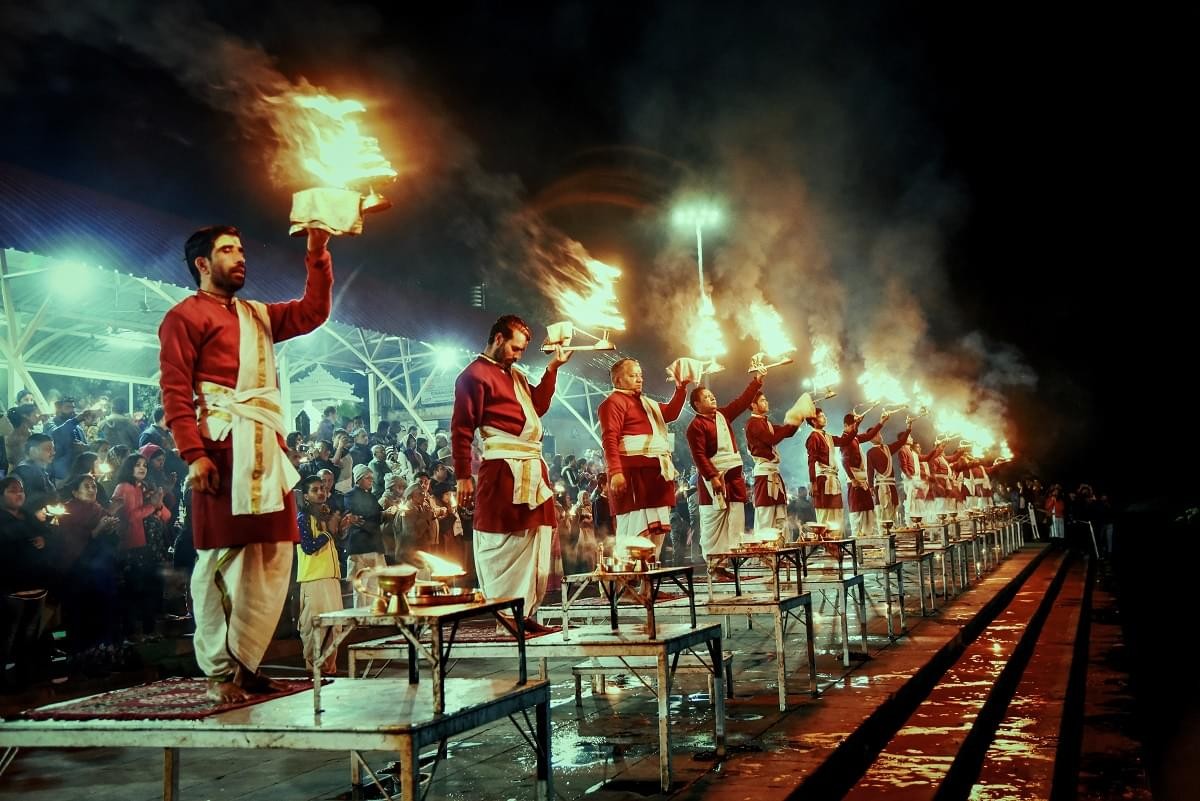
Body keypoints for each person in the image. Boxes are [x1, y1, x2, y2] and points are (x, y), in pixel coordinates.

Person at [157, 224, 332, 702]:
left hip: (266, 448)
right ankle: (218, 672)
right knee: (221, 558)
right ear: (202, 264)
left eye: (241, 249)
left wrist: (317, 252)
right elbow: (175, 391)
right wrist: (193, 453)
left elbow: (313, 311)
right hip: (220, 447)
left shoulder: (258, 316)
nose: (240, 258)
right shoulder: (183, 317)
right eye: (228, 251)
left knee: (275, 555)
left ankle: (246, 663)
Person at [451, 315, 571, 633]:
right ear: (499, 338)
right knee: (502, 542)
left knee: (533, 541)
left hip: (531, 467)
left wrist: (553, 369)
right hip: (502, 468)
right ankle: (507, 614)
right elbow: (461, 428)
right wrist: (463, 474)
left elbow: (538, 407)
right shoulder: (473, 375)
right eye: (515, 348)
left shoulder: (515, 375)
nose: (518, 356)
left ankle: (526, 613)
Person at [597, 357, 691, 558]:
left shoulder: (647, 404)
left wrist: (681, 388)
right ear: (618, 380)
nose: (639, 380)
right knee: (634, 531)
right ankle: (628, 583)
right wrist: (615, 472)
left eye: (640, 375)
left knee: (656, 533)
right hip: (633, 474)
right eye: (633, 376)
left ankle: (647, 588)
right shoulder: (613, 403)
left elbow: (671, 413)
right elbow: (609, 439)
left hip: (656, 474)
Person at [685, 374, 764, 570]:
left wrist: (757, 380)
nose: (712, 398)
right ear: (696, 404)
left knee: (736, 520)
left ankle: (732, 563)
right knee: (714, 523)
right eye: (706, 397)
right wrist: (712, 477)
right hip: (715, 480)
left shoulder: (723, 415)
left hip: (734, 478)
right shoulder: (695, 426)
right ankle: (715, 566)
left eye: (712, 396)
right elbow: (699, 456)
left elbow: (742, 401)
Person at [295, 475, 350, 675]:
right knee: (315, 628)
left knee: (334, 627)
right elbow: (308, 547)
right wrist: (329, 533)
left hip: (330, 578)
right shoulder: (303, 518)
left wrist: (340, 529)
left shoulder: (323, 518)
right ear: (307, 496)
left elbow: (333, 544)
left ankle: (329, 670)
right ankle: (314, 672)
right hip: (314, 580)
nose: (321, 492)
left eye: (322, 489)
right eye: (315, 490)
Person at [744, 390, 806, 532]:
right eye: (763, 400)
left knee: (780, 513)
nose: (766, 402)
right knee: (766, 514)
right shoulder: (752, 423)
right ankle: (765, 549)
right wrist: (794, 416)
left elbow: (787, 432)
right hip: (764, 473)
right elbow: (772, 439)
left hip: (773, 473)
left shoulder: (766, 424)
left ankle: (779, 547)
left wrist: (799, 416)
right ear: (753, 405)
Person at [838, 411, 889, 537]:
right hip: (854, 480)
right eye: (852, 426)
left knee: (868, 510)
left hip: (862, 479)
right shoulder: (845, 440)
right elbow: (844, 461)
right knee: (857, 512)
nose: (854, 428)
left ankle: (870, 538)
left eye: (855, 425)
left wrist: (881, 422)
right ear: (845, 426)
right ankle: (858, 541)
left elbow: (869, 435)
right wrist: (852, 479)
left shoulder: (855, 438)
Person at [865, 420, 912, 532]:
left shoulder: (887, 448)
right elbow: (870, 471)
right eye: (876, 435)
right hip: (881, 486)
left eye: (879, 433)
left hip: (891, 485)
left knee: (894, 508)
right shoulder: (870, 452)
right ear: (871, 438)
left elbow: (901, 442)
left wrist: (909, 428)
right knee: (883, 511)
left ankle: (893, 535)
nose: (879, 436)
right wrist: (871, 486)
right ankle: (884, 535)